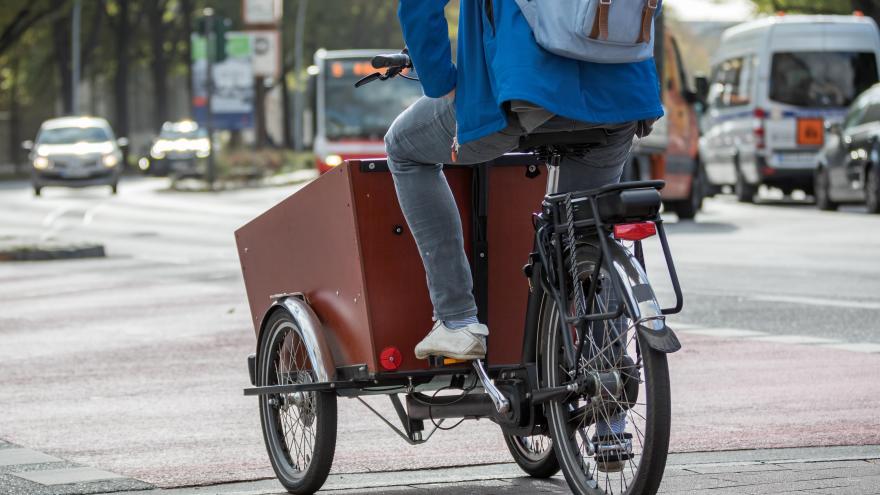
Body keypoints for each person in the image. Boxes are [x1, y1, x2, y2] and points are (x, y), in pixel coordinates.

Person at [386, 1, 663, 363]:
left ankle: (457, 319)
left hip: (524, 91)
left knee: (403, 147)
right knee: (584, 229)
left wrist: (444, 84)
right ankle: (604, 365)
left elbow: (419, 8)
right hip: (624, 95)